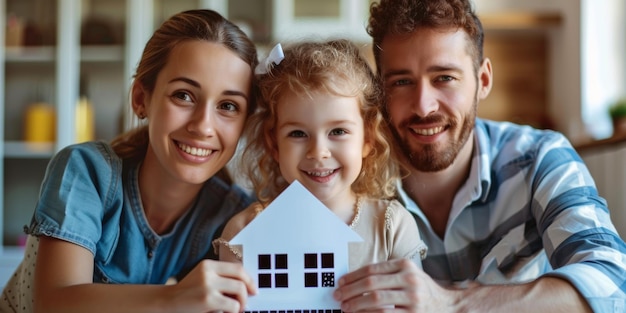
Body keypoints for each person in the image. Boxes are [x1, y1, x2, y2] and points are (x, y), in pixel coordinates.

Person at [332, 0, 626, 312]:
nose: (423, 106)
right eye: (402, 82)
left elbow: (613, 284)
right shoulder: (347, 181)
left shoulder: (540, 158)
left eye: (444, 77)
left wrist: (451, 302)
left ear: (483, 80)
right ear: (381, 91)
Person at [1, 9, 259, 313]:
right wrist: (174, 298)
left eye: (228, 105)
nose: (203, 126)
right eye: (184, 95)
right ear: (141, 99)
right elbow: (54, 303)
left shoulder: (233, 216)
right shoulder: (87, 171)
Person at [214, 40, 427, 274]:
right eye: (298, 133)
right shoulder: (245, 231)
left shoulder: (392, 228)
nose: (318, 152)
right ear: (274, 143)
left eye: (338, 132)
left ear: (367, 139)